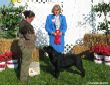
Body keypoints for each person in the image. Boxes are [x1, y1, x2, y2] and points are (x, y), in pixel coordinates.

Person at [18, 10, 35, 82]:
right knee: (25, 62)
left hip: (24, 45)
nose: (32, 20)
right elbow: (29, 37)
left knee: (25, 61)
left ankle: (24, 75)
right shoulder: (26, 25)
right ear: (27, 17)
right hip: (26, 45)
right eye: (31, 19)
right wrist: (34, 37)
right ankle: (23, 79)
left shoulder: (23, 23)